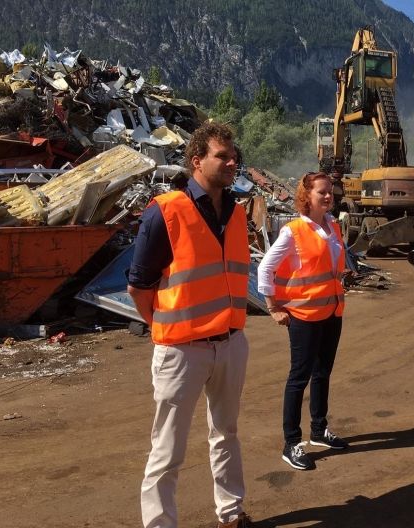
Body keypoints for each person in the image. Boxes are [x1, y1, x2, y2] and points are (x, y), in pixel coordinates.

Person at [127, 122, 254, 528]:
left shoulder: (236, 213)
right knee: (167, 450)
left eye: (234, 156)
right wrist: (162, 329)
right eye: (223, 156)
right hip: (182, 350)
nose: (232, 162)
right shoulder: (165, 211)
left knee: (226, 433)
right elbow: (139, 286)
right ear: (197, 160)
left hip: (230, 343)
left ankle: (230, 514)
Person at [257, 172, 349, 471]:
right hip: (304, 316)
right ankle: (292, 442)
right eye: (322, 192)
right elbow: (264, 269)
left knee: (323, 372)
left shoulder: (333, 226)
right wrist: (273, 307)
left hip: (332, 312)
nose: (328, 196)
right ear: (306, 196)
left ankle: (319, 430)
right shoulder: (293, 231)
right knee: (299, 377)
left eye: (330, 191)